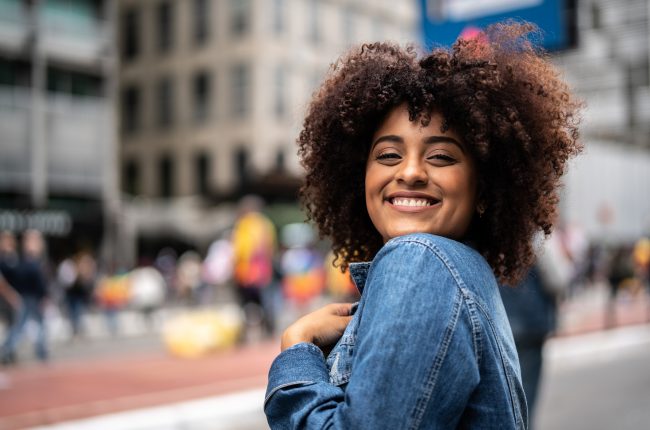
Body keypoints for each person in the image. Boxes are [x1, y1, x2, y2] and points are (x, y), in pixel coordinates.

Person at [264, 22, 582, 429]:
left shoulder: (420, 260)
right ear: (358, 176)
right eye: (389, 155)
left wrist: (297, 353)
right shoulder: (464, 273)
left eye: (441, 157)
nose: (410, 172)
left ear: (484, 186)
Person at [1, 230, 50, 364]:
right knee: (22, 326)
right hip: (27, 297)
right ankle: (7, 349)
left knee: (25, 325)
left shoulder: (18, 259)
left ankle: (10, 350)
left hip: (26, 297)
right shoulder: (23, 260)